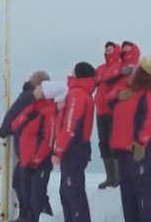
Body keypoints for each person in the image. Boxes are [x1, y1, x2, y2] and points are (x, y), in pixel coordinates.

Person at [108, 56, 151, 222]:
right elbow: (109, 100)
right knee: (127, 189)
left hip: (138, 148)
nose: (133, 71)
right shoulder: (129, 90)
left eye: (138, 69)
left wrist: (142, 142)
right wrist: (118, 95)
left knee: (142, 187)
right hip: (122, 147)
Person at [0, 71, 54, 219]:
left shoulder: (30, 99)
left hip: (32, 155)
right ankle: (37, 215)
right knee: (31, 189)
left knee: (28, 189)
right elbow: (17, 120)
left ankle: (32, 216)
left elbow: (11, 116)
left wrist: (4, 130)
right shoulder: (37, 105)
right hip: (28, 153)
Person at [11, 80, 62, 222]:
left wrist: (35, 161)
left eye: (40, 87)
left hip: (38, 163)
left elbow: (48, 140)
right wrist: (27, 117)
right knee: (26, 198)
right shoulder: (33, 108)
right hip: (25, 161)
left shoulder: (49, 112)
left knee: (36, 198)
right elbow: (14, 125)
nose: (36, 88)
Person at [54, 62, 96, 222]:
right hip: (76, 148)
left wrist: (59, 150)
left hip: (73, 149)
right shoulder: (78, 93)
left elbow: (71, 125)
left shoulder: (77, 94)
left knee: (73, 192)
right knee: (68, 192)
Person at [93, 42, 122, 189]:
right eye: (106, 49)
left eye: (110, 49)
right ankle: (109, 177)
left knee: (113, 143)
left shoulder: (120, 66)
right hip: (100, 111)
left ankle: (117, 177)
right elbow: (93, 82)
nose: (107, 52)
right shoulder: (100, 68)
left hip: (113, 111)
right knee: (103, 143)